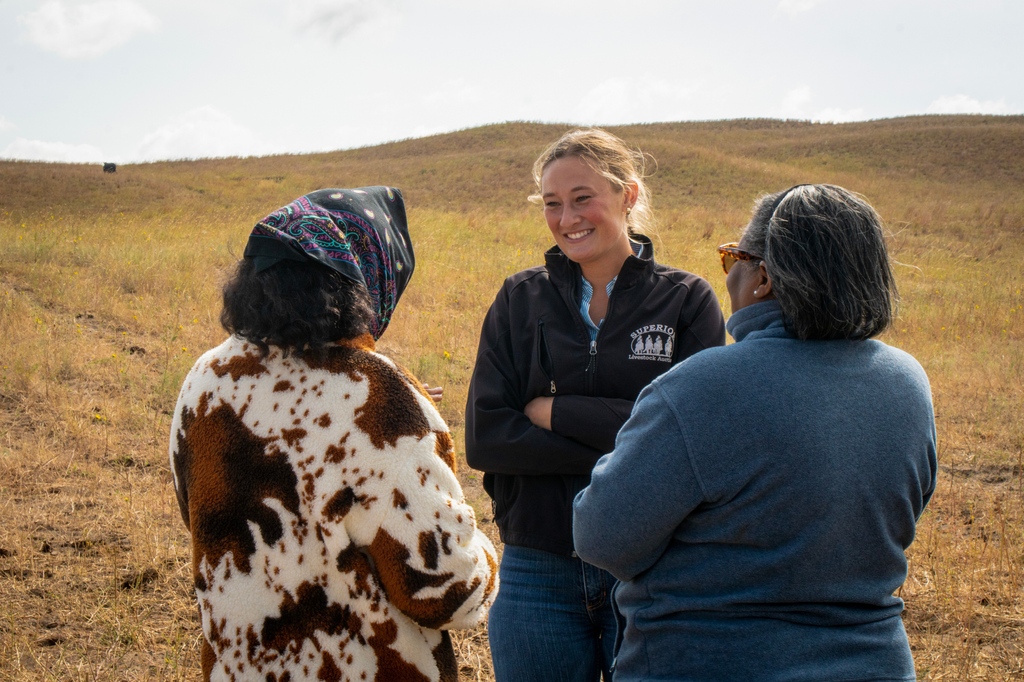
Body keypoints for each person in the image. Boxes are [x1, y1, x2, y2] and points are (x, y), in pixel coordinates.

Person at [574, 184, 938, 681]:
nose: (728, 274)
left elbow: (601, 538)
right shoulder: (908, 383)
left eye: (733, 259)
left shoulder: (698, 387)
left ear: (763, 277)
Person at [169, 187, 497, 682]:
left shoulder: (207, 378)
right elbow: (445, 590)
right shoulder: (377, 394)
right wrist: (488, 556)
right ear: (368, 277)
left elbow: (203, 519)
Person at [465, 129, 726, 681]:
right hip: (536, 568)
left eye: (582, 198)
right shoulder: (519, 299)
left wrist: (555, 413)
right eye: (552, 204)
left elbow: (698, 440)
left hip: (650, 568)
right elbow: (487, 438)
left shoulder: (686, 301)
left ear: (628, 195)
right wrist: (635, 442)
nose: (567, 219)